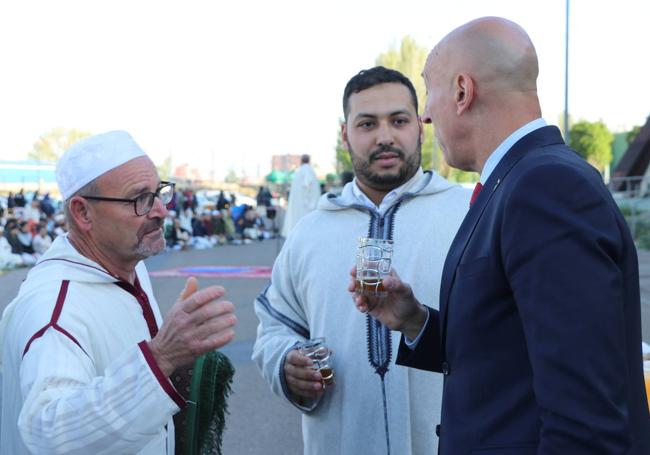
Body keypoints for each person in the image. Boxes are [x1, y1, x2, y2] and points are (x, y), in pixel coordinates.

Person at [352, 17, 650, 454]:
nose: (426, 115)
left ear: (461, 91)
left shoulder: (544, 187)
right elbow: (510, 353)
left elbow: (586, 421)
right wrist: (415, 320)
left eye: (429, 93)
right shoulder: (520, 180)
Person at [253, 66, 470, 454]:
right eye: (367, 123)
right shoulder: (311, 231)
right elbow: (274, 328)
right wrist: (286, 364)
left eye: (398, 121)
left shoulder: (469, 215)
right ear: (345, 134)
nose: (385, 136)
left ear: (420, 127)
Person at [0, 130, 237, 454]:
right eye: (140, 199)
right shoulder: (55, 310)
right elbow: (52, 434)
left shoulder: (127, 263)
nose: (161, 211)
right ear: (83, 212)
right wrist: (162, 357)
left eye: (158, 192)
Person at [280, 154, 321, 237]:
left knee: (297, 223)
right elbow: (308, 184)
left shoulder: (298, 171)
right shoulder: (309, 171)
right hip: (306, 205)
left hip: (299, 204)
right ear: (309, 161)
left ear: (301, 161)